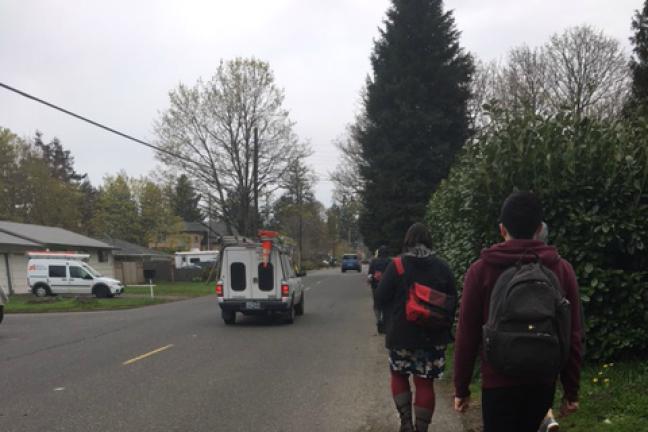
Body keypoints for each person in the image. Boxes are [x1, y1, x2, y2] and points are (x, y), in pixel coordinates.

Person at [453, 192, 583, 432]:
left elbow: (467, 335)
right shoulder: (561, 269)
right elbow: (572, 335)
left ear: (502, 229)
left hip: (497, 381)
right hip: (542, 379)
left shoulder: (480, 270)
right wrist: (571, 390)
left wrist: (461, 388)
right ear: (539, 229)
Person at [376, 223, 456, 432]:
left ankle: (405, 423)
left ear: (407, 241)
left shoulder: (398, 265)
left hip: (402, 334)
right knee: (425, 383)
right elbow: (452, 301)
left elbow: (381, 297)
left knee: (399, 375)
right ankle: (421, 429)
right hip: (433, 336)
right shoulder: (442, 267)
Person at [368, 245, 390, 333]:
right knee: (387, 305)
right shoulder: (390, 262)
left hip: (376, 286)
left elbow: (370, 275)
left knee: (377, 305)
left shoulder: (374, 262)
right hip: (388, 287)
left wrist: (370, 280)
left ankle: (378, 320)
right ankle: (385, 321)